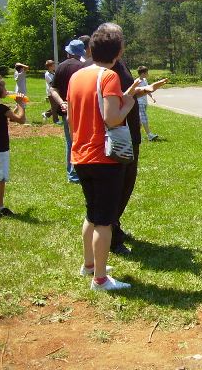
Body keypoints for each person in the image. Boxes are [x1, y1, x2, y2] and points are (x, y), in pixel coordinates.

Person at [67, 23, 139, 290]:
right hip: (104, 158)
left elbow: (73, 117)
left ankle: (89, 265)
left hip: (81, 154)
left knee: (92, 214)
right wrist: (130, 101)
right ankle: (100, 279)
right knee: (105, 221)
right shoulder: (109, 77)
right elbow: (112, 118)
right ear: (118, 53)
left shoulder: (77, 76)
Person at [0, 76, 26, 217]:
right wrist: (20, 104)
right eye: (3, 87)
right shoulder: (1, 108)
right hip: (0, 147)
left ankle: (0, 207)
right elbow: (21, 120)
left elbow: (10, 116)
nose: (6, 89)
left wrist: (13, 108)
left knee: (2, 178)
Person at [49, 39, 87, 183]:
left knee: (70, 141)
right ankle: (81, 171)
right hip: (82, 110)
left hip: (66, 111)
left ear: (69, 53)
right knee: (82, 140)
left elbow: (53, 89)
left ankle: (72, 174)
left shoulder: (60, 67)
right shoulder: (83, 67)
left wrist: (61, 103)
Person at [137, 66, 159, 142]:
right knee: (144, 119)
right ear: (143, 73)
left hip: (144, 102)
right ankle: (149, 135)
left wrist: (152, 97)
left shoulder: (145, 80)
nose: (147, 74)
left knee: (139, 121)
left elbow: (147, 90)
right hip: (140, 103)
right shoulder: (137, 82)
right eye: (146, 73)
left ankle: (138, 136)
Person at [42, 60, 60, 124]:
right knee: (55, 106)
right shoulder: (47, 74)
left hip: (56, 91)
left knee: (56, 105)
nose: (55, 66)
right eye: (53, 65)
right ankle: (56, 120)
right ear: (50, 67)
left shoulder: (54, 73)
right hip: (51, 92)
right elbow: (52, 83)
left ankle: (46, 114)